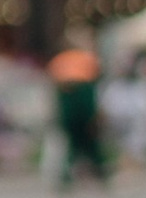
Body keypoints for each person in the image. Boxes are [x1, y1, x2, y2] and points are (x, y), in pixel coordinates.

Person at [48, 44, 113, 188]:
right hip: (83, 106)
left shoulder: (59, 60)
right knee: (91, 146)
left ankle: (67, 178)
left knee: (73, 146)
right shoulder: (87, 59)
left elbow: (56, 89)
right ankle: (101, 176)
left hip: (69, 111)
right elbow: (93, 92)